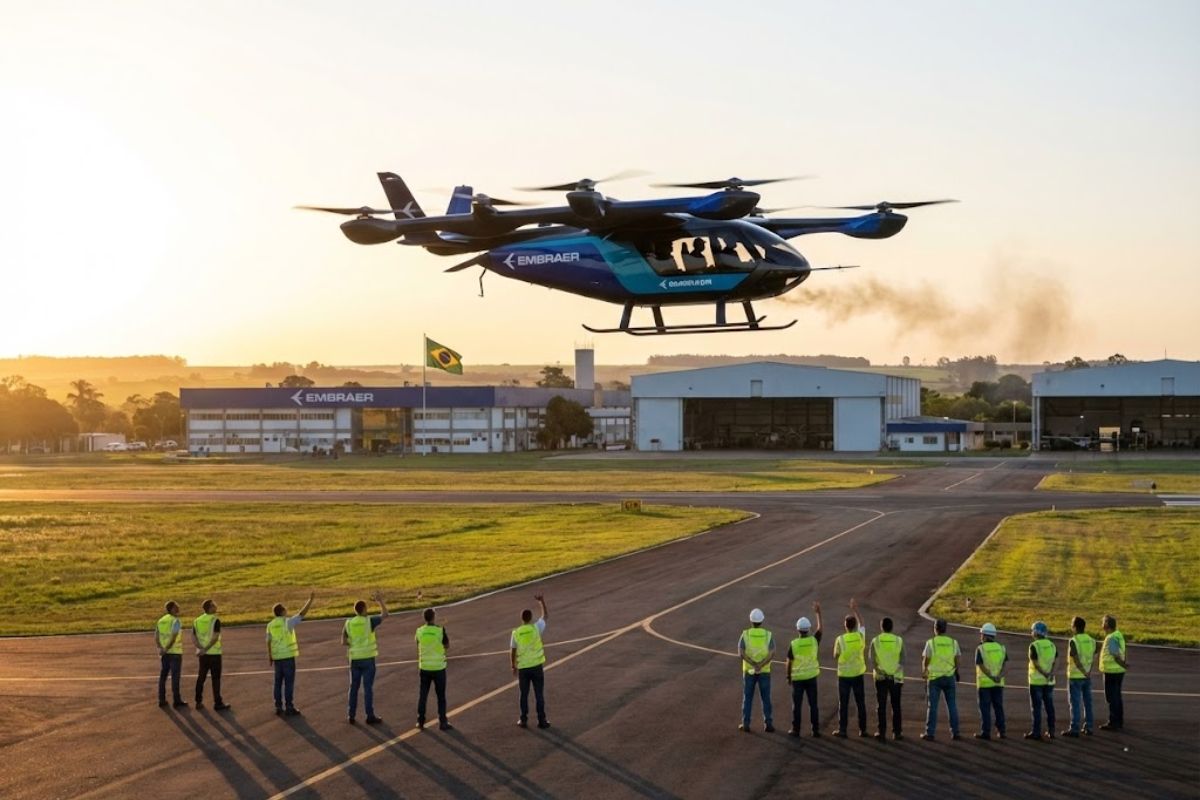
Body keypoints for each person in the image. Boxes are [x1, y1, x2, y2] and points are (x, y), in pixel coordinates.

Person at [342, 591, 387, 725]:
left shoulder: (348, 623)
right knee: (367, 688)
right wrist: (380, 601)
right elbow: (385, 615)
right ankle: (369, 715)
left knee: (353, 687)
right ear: (364, 609)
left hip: (354, 658)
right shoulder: (369, 621)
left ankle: (351, 715)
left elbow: (343, 641)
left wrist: (354, 644)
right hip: (367, 658)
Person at [266, 591, 314, 717]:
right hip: (287, 656)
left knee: (277, 683)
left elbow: (268, 642)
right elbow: (301, 614)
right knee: (288, 683)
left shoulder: (270, 625)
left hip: (277, 657)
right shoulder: (287, 623)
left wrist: (270, 656)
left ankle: (278, 706)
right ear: (282, 612)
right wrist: (310, 600)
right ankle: (289, 706)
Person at [511, 593, 550, 729]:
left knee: (523, 694)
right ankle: (542, 720)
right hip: (536, 666)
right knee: (539, 694)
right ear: (531, 618)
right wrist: (542, 602)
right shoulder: (536, 628)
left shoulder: (516, 632)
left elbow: (513, 650)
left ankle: (523, 719)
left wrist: (513, 665)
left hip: (523, 668)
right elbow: (545, 616)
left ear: (521, 619)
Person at [921, 618, 961, 741]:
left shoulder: (931, 642)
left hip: (934, 678)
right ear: (945, 629)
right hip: (949, 677)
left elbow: (925, 660)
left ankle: (930, 733)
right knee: (952, 705)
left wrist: (924, 673)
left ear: (935, 629)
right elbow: (957, 658)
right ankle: (955, 732)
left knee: (932, 706)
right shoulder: (953, 642)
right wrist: (956, 672)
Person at [786, 601, 823, 738]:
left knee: (797, 706)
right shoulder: (814, 641)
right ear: (808, 629)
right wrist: (818, 613)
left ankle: (796, 729)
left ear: (797, 629)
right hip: (811, 677)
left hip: (798, 679)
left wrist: (788, 676)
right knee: (813, 705)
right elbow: (820, 630)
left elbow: (789, 662)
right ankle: (815, 730)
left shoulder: (794, 644)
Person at [832, 598, 868, 737]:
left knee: (844, 704)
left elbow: (835, 655)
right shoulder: (860, 636)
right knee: (860, 703)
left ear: (846, 626)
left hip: (844, 675)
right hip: (858, 673)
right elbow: (863, 623)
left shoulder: (840, 639)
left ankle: (843, 730)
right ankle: (863, 729)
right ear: (854, 626)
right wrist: (855, 609)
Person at [738, 607, 775, 732]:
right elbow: (772, 653)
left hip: (749, 671)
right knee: (766, 698)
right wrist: (761, 664)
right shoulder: (767, 634)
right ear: (762, 620)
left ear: (751, 620)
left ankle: (746, 723)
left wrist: (753, 663)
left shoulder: (745, 634)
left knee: (747, 698)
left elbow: (741, 652)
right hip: (764, 671)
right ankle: (768, 723)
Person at [415, 606, 452, 731]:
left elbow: (417, 642)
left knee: (423, 695)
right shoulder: (440, 630)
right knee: (441, 696)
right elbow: (447, 645)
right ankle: (443, 721)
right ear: (433, 617)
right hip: (438, 667)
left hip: (425, 667)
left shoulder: (419, 631)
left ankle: (420, 721)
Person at [869, 615, 904, 740]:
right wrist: (895, 671)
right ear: (892, 627)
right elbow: (903, 659)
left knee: (881, 705)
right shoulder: (899, 640)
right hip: (896, 677)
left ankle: (882, 731)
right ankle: (897, 732)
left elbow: (871, 659)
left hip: (881, 678)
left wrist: (879, 671)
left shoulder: (876, 641)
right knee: (896, 705)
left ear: (881, 627)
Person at [192, 599, 230, 711]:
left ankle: (198, 701)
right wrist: (207, 648)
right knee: (216, 679)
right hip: (214, 653)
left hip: (203, 654)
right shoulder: (215, 620)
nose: (216, 606)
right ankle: (218, 702)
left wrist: (200, 648)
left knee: (201, 677)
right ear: (209, 608)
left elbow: (193, 636)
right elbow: (215, 637)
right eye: (214, 605)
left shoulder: (197, 620)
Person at [1063, 616, 1096, 737]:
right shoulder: (1091, 640)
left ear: (1075, 627)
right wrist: (1088, 670)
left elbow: (1075, 658)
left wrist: (1082, 671)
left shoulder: (1074, 640)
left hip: (1076, 676)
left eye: (1072, 624)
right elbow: (1094, 655)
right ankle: (1089, 726)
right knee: (1088, 702)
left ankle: (1075, 728)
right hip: (1086, 676)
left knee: (1075, 703)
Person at [974, 622, 1006, 740]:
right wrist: (999, 676)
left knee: (985, 709)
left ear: (986, 635)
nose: (980, 636)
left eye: (982, 634)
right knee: (998, 707)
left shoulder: (980, 648)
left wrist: (991, 677)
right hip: (998, 683)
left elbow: (980, 665)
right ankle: (1001, 730)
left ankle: (986, 732)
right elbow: (1006, 665)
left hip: (985, 684)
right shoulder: (1001, 648)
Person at [1025, 620, 1057, 740]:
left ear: (1036, 632)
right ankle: (1051, 730)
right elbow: (1056, 660)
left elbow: (1035, 662)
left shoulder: (1034, 646)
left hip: (1036, 681)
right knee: (1049, 707)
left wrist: (1044, 673)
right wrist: (1051, 673)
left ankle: (1036, 732)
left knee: (1036, 708)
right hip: (1049, 681)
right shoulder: (1051, 645)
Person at [156, 601, 187, 709]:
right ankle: (177, 700)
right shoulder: (176, 621)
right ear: (172, 608)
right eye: (176, 606)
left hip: (165, 653)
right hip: (174, 652)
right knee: (175, 677)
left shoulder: (161, 620)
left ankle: (161, 699)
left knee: (163, 676)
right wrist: (167, 648)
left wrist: (161, 648)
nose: (178, 608)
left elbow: (157, 636)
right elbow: (173, 637)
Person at [1099, 614, 1127, 731]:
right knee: (1117, 696)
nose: (1101, 625)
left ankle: (1113, 721)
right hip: (1117, 671)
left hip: (1112, 671)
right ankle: (1119, 721)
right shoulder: (1118, 635)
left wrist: (1123, 664)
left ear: (1106, 625)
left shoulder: (1111, 638)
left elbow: (1115, 654)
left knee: (1112, 698)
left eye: (1102, 623)